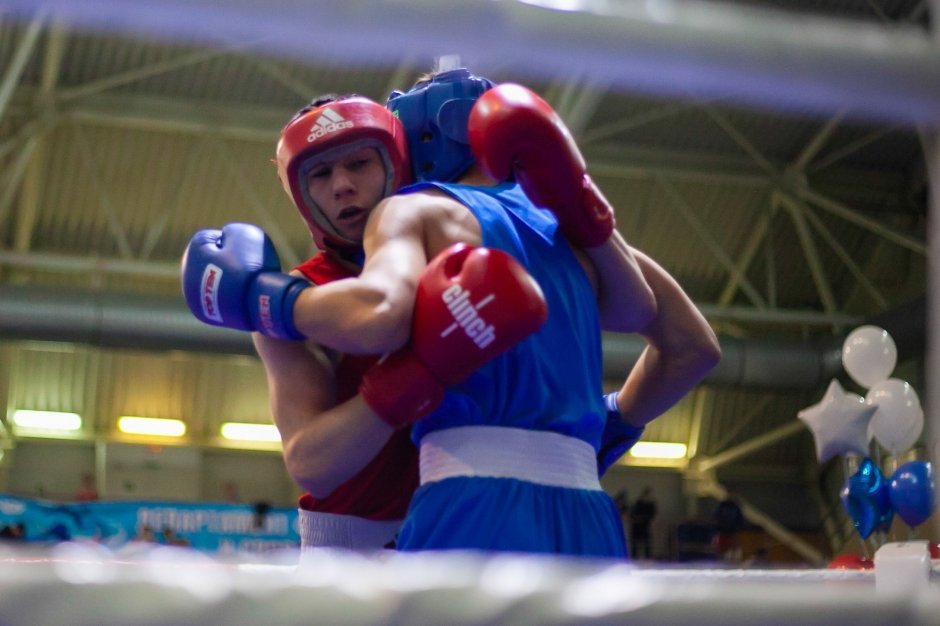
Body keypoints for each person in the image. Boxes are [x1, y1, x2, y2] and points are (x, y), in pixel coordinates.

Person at [182, 69, 719, 555]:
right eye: (320, 174)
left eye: (359, 162)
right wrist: (421, 370)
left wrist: (603, 428)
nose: (342, 184)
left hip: (465, 506)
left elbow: (667, 329)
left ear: (400, 158)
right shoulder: (308, 290)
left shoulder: (440, 222)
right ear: (300, 194)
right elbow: (312, 465)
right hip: (356, 546)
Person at [713, 491, 746, 563]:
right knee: (721, 547)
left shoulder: (736, 507)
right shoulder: (722, 506)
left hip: (733, 531)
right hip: (722, 530)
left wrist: (738, 528)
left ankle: (733, 561)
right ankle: (720, 560)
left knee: (733, 546)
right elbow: (716, 516)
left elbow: (740, 518)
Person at [629, 486, 657, 560]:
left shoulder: (651, 505)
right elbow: (632, 516)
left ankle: (648, 560)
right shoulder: (637, 504)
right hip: (637, 527)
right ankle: (634, 560)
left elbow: (652, 516)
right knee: (635, 546)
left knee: (647, 545)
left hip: (645, 527)